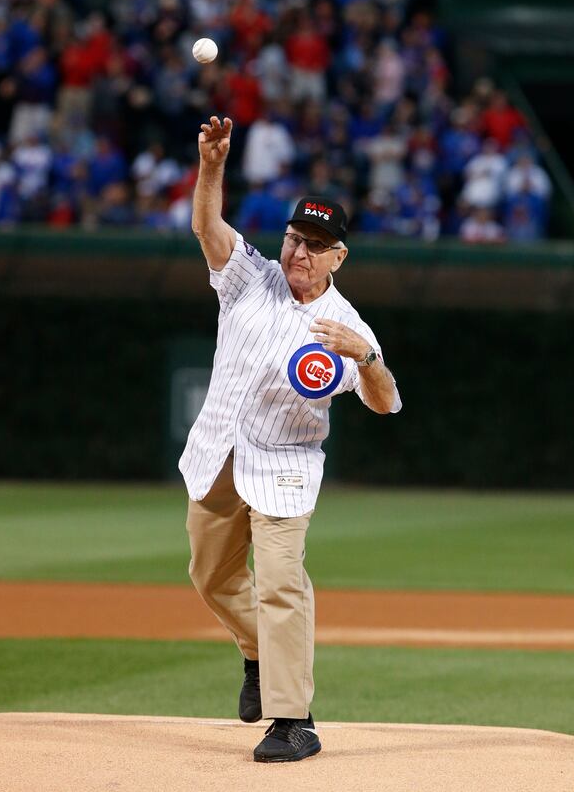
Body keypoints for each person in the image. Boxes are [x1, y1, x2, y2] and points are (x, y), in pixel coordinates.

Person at [179, 115, 402, 764]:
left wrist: (368, 359)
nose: (299, 251)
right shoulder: (253, 277)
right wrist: (212, 166)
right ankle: (257, 653)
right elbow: (207, 229)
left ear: (339, 255)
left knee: (280, 581)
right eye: (294, 237)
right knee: (208, 574)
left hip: (284, 468)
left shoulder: (344, 325)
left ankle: (293, 719)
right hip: (218, 448)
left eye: (315, 243)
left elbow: (385, 402)